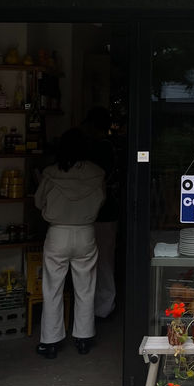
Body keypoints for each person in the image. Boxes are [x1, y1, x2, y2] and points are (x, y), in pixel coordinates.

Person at [34, 127, 106, 359]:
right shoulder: (97, 173)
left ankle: (50, 342)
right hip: (85, 232)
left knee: (52, 288)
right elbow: (102, 199)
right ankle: (84, 338)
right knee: (85, 288)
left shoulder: (50, 173)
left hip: (57, 232)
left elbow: (38, 201)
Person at [79, 106, 123, 319]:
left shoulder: (101, 148)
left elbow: (99, 180)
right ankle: (101, 306)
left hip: (100, 212)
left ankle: (102, 307)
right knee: (103, 260)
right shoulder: (107, 147)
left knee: (101, 261)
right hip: (104, 212)